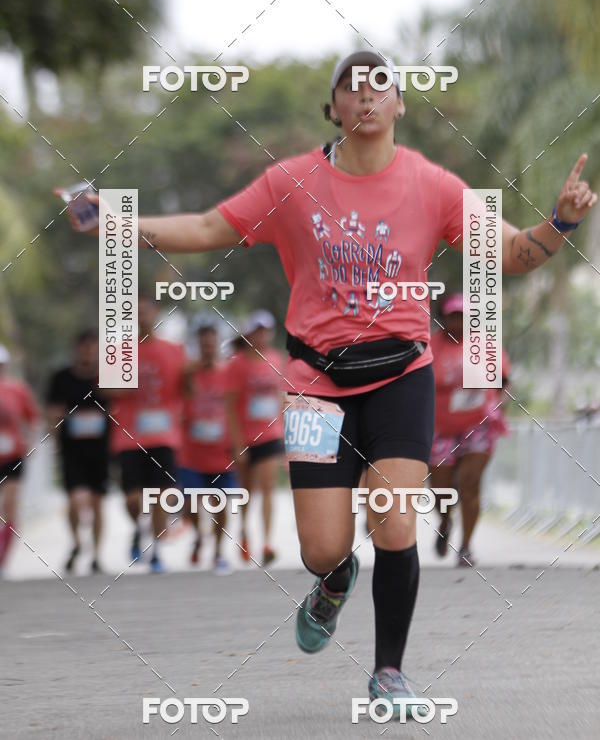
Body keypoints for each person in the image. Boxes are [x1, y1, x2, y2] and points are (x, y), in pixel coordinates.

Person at [69, 50, 597, 717]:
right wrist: (117, 223)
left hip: (401, 376)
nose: (367, 95)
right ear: (334, 108)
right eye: (352, 87)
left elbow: (513, 253)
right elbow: (207, 227)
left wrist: (561, 221)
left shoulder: (433, 186)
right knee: (321, 547)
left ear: (400, 104)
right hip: (315, 385)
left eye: (381, 85)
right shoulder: (291, 182)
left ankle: (389, 671)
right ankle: (335, 579)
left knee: (393, 518)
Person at [428, 294, 511, 567]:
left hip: (478, 425)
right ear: (444, 318)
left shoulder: (486, 346)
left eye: (463, 317)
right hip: (440, 426)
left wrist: (499, 406)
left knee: (470, 482)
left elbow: (504, 382)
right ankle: (445, 521)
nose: (458, 322)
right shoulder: (430, 346)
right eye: (453, 316)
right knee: (440, 489)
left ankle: (465, 547)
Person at [110, 293, 186, 574]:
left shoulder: (174, 350)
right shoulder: (120, 350)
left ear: (155, 314)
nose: (142, 316)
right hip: (129, 436)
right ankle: (139, 529)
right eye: (136, 312)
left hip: (164, 435)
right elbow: (105, 389)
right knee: (133, 500)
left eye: (146, 311)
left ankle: (156, 550)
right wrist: (125, 384)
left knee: (161, 496)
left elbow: (187, 387)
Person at [46, 330, 110, 574]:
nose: (88, 353)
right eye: (84, 347)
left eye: (93, 348)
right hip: (71, 450)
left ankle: (97, 555)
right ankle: (76, 542)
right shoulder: (61, 378)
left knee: (97, 502)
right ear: (77, 349)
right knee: (75, 500)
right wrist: (54, 436)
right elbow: (52, 411)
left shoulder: (107, 378)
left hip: (100, 450)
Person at [223, 310, 284, 567]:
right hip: (246, 437)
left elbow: (281, 397)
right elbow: (230, 406)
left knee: (268, 486)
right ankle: (244, 530)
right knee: (247, 491)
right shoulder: (237, 364)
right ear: (249, 334)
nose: (262, 336)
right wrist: (238, 443)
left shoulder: (276, 358)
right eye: (257, 331)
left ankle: (268, 542)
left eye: (266, 331)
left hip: (270, 434)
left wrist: (285, 432)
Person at [180, 319, 238, 574]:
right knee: (191, 502)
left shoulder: (229, 372)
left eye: (211, 343)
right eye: (203, 344)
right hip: (191, 451)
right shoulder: (187, 373)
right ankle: (198, 534)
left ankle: (218, 552)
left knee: (221, 503)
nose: (208, 348)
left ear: (218, 344)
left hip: (222, 450)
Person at [0, 345, 38, 575]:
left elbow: (32, 419)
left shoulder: (17, 390)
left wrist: (29, 443)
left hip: (12, 456)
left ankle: (2, 559)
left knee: (10, 507)